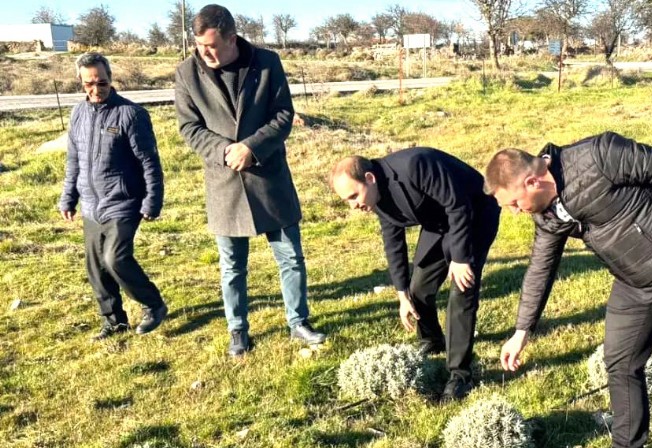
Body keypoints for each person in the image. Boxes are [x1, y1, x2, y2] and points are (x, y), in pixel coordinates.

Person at [485, 132, 652, 448]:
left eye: (515, 204)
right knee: (620, 363)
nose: (516, 212)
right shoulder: (547, 215)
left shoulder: (599, 156)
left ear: (532, 181)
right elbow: (540, 267)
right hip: (633, 280)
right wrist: (522, 330)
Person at [174, 4, 324, 357]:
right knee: (231, 266)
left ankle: (298, 322)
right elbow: (188, 126)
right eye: (199, 45)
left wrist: (252, 148)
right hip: (223, 181)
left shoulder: (267, 62)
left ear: (232, 37)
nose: (205, 53)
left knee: (290, 257)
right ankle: (238, 330)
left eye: (211, 46)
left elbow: (283, 114)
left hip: (269, 177)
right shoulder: (185, 72)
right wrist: (226, 150)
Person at [330, 148, 500, 401]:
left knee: (461, 290)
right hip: (439, 223)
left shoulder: (415, 166)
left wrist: (460, 258)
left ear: (369, 178)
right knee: (418, 290)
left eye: (354, 196)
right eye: (348, 201)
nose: (354, 205)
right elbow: (393, 239)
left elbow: (458, 204)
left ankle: (460, 374)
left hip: (472, 213)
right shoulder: (376, 197)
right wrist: (401, 292)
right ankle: (431, 340)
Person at [59, 52, 168, 341]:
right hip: (91, 205)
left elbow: (150, 163)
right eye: (89, 84)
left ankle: (153, 305)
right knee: (96, 267)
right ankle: (114, 321)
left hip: (124, 201)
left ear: (111, 79)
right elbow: (74, 160)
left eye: (102, 83)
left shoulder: (131, 115)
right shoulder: (77, 114)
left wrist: (153, 201)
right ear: (81, 82)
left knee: (115, 258)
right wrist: (68, 197)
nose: (96, 90)